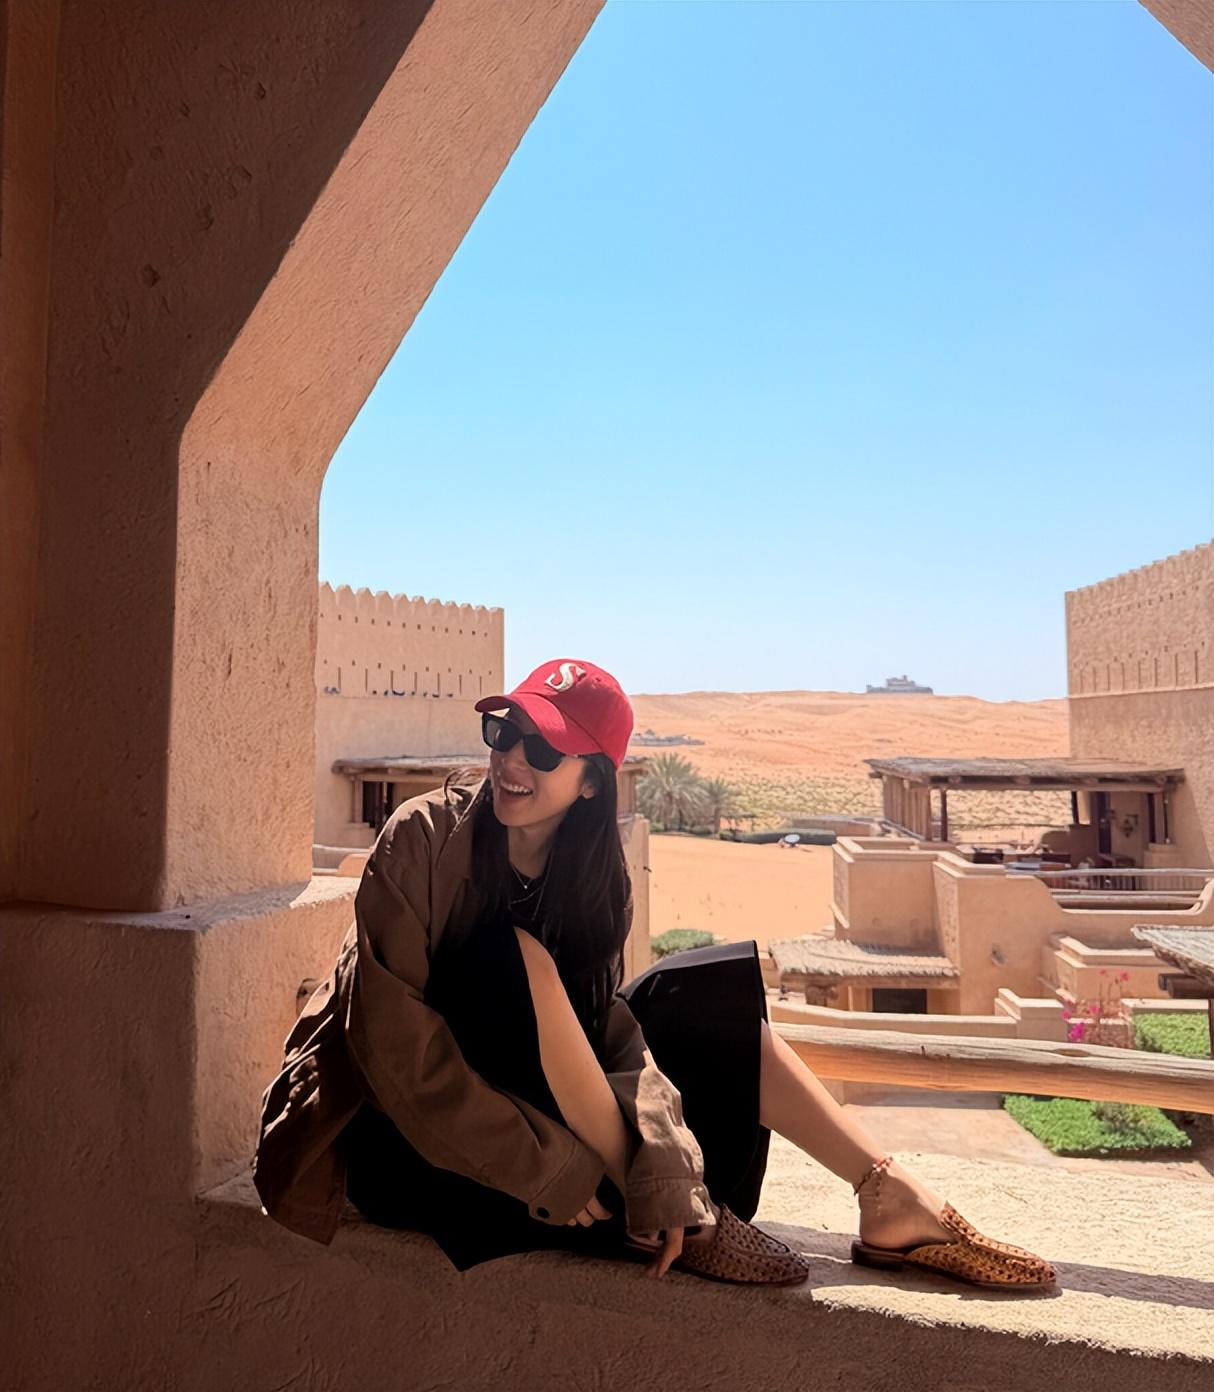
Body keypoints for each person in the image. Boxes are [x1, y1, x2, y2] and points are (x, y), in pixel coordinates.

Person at [254, 659, 1055, 1290]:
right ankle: (675, 1217)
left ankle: (883, 1190)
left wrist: (664, 1160)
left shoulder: (594, 878)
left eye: (542, 749)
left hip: (538, 1110)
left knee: (697, 992)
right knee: (511, 958)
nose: (511, 759)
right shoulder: (424, 838)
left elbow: (609, 1032)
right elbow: (394, 1050)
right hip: (410, 1144)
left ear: (591, 781)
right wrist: (556, 1170)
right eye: (505, 732)